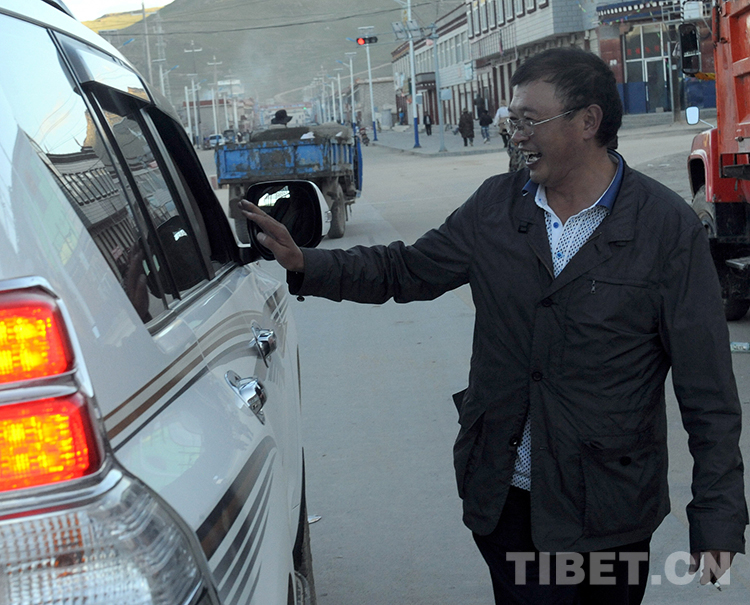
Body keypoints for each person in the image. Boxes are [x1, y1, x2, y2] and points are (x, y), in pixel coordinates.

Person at [240, 48, 747, 604]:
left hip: (608, 506)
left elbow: (707, 387)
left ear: (588, 121)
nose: (516, 135)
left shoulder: (665, 228)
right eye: (513, 121)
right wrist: (307, 263)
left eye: (530, 120)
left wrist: (717, 516)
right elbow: (406, 269)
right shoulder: (495, 207)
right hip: (507, 497)